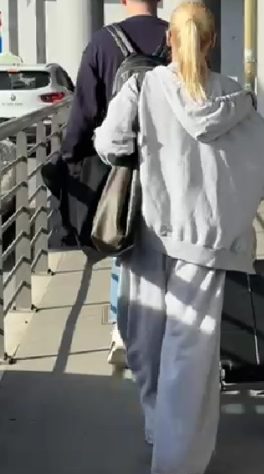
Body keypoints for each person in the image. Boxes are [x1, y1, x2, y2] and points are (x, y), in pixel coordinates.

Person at [94, 1, 264, 474]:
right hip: (206, 245)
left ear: (170, 39)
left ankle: (158, 428)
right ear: (211, 42)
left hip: (148, 234)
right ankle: (179, 462)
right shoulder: (236, 99)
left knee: (144, 341)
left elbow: (108, 145)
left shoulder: (142, 88)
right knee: (191, 352)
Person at [61, 0, 167, 367]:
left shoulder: (103, 42)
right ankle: (166, 326)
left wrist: (70, 154)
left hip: (119, 164)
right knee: (167, 246)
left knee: (123, 240)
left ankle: (123, 330)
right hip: (171, 164)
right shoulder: (178, 38)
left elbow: (84, 110)